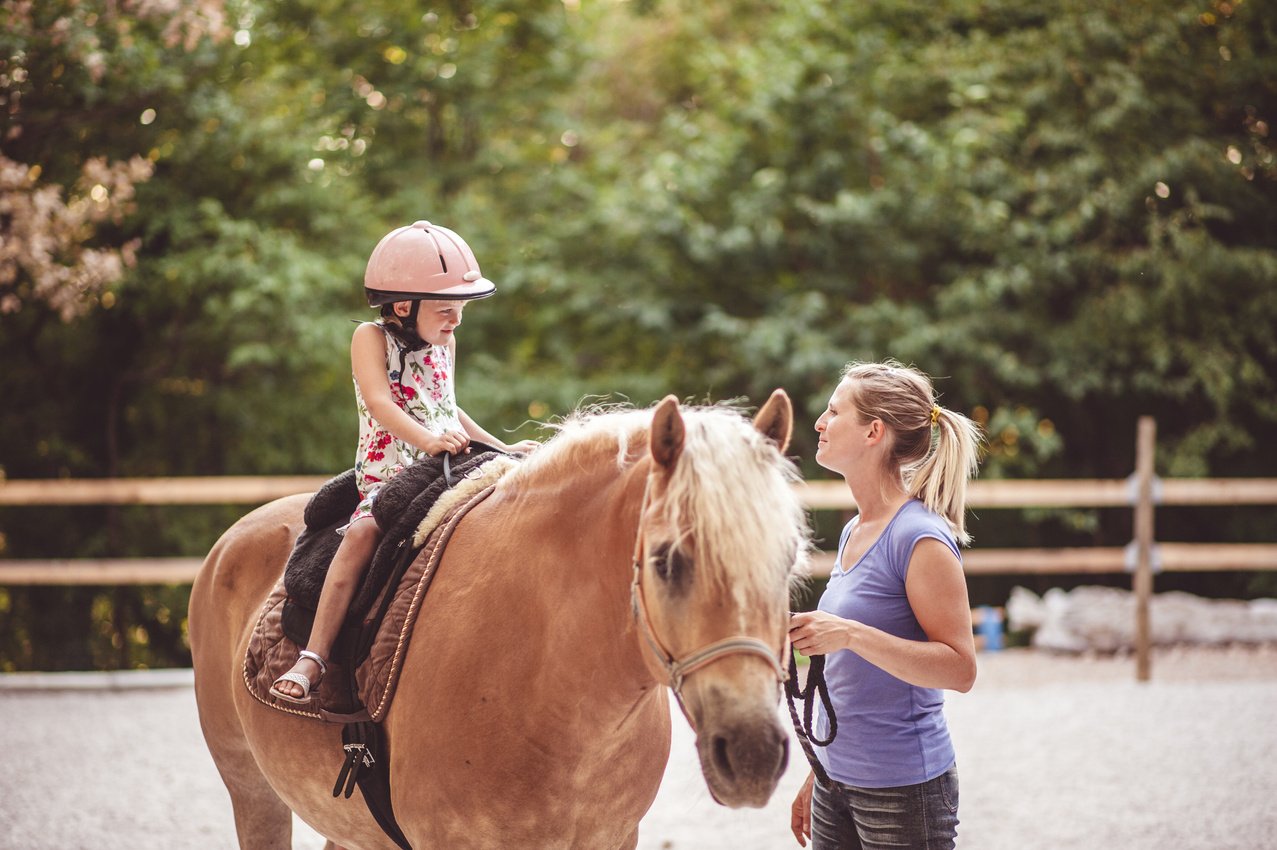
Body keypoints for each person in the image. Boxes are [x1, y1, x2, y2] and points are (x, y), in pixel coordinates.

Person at [270, 220, 539, 704]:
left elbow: (447, 406)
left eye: (460, 309)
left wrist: (500, 449)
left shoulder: (445, 344)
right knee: (360, 533)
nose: (455, 320)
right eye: (445, 309)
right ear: (401, 306)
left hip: (447, 463)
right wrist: (429, 440)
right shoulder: (370, 340)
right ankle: (314, 655)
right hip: (393, 468)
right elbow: (380, 403)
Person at [787, 360, 982, 849]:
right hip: (837, 780)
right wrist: (818, 770)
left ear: (874, 431)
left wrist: (848, 633)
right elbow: (850, 679)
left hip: (903, 787)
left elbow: (960, 669)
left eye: (834, 412)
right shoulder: (856, 529)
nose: (819, 423)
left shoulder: (919, 537)